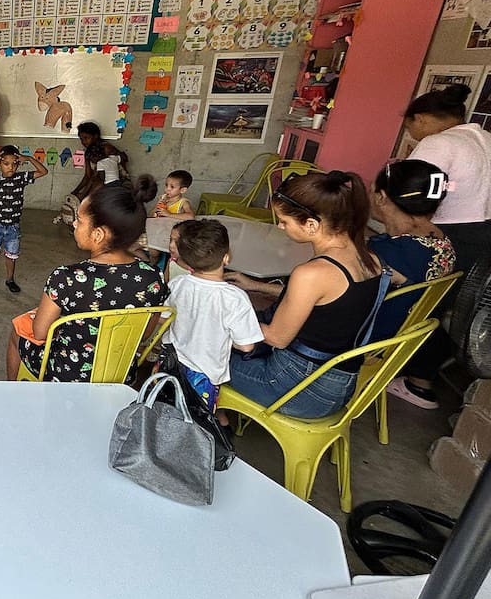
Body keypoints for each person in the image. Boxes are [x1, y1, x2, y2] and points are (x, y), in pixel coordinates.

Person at [225, 171, 386, 419]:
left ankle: (211, 424)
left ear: (311, 224)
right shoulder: (370, 259)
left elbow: (277, 338)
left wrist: (221, 315)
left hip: (298, 388)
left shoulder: (312, 273)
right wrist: (258, 285)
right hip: (338, 383)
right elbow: (325, 303)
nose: (280, 227)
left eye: (284, 221)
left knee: (198, 353)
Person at [7, 183, 168, 381]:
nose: (74, 224)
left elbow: (39, 333)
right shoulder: (154, 277)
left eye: (80, 221)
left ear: (98, 234)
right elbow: (143, 336)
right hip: (119, 372)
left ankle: (11, 390)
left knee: (17, 333)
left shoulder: (66, 278)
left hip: (66, 373)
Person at [368, 160, 457, 408]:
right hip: (411, 338)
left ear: (382, 198)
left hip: (372, 340)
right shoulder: (442, 242)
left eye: (373, 190)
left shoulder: (385, 252)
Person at [163, 220, 264, 425]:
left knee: (163, 411)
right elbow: (246, 345)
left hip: (169, 362)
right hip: (204, 375)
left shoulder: (177, 284)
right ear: (226, 257)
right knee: (194, 422)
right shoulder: (235, 297)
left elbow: (164, 320)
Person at [403, 84, 491, 278]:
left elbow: (412, 191)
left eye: (409, 127)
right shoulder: (486, 138)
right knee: (456, 290)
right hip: (485, 231)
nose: (412, 134)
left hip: (451, 231)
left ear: (420, 119)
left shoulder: (438, 143)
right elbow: (455, 184)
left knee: (423, 285)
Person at [0, 145, 48, 293]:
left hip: (13, 227)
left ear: (18, 164)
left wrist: (30, 158)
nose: (10, 167)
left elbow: (43, 171)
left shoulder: (21, 178)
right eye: (6, 164)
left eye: (14, 164)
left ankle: (10, 280)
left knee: (11, 256)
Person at [70, 121, 128, 199]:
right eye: (81, 139)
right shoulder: (88, 153)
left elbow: (123, 159)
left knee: (96, 185)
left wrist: (84, 193)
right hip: (101, 180)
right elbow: (87, 176)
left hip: (119, 181)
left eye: (86, 138)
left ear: (95, 136)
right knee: (93, 185)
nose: (83, 142)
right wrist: (75, 191)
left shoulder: (106, 148)